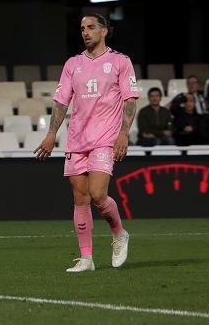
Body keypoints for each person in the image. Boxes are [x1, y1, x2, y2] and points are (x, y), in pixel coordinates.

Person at [34, 14, 137, 273]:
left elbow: (130, 100)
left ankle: (119, 234)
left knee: (98, 194)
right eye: (82, 28)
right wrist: (51, 134)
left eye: (91, 27)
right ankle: (86, 258)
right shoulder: (73, 64)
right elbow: (61, 101)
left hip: (105, 138)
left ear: (105, 31)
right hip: (77, 139)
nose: (85, 32)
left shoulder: (120, 61)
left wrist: (124, 133)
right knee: (80, 199)